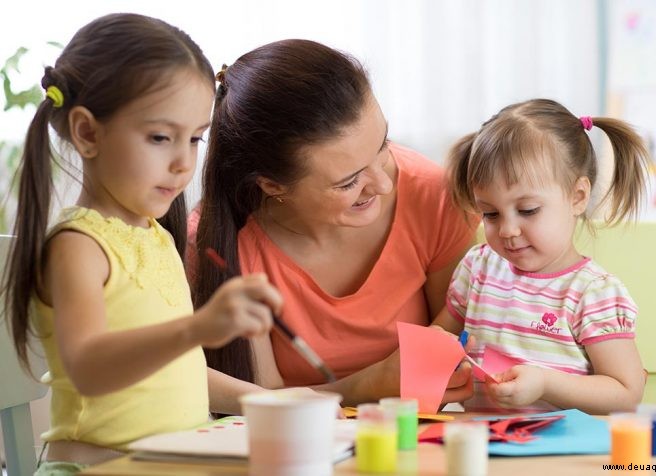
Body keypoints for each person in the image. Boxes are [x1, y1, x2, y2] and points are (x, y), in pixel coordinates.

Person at [1, 13, 282, 475]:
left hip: (170, 464)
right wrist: (197, 328)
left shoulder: (157, 238)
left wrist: (265, 400)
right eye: (159, 137)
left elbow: (176, 370)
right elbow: (89, 369)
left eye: (194, 139)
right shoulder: (78, 246)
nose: (182, 162)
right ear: (88, 132)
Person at [188, 39, 480, 407]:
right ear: (273, 186)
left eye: (382, 145)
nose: (385, 184)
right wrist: (364, 388)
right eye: (349, 182)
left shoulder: (431, 194)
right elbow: (260, 402)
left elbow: (460, 344)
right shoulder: (219, 243)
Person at [431, 98, 648, 414]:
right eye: (490, 213)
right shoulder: (478, 268)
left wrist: (546, 383)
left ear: (578, 197)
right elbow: (441, 337)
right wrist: (436, 351)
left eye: (527, 210)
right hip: (483, 448)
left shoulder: (593, 293)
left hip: (561, 456)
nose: (507, 230)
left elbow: (626, 392)